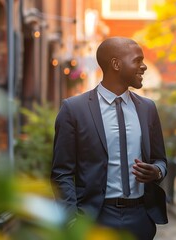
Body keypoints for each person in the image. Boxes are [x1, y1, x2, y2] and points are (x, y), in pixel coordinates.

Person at [51, 37, 168, 240]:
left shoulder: (148, 108)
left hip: (140, 218)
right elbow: (61, 172)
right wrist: (72, 222)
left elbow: (161, 159)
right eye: (137, 60)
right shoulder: (74, 109)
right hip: (95, 220)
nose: (144, 66)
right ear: (116, 64)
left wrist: (157, 171)